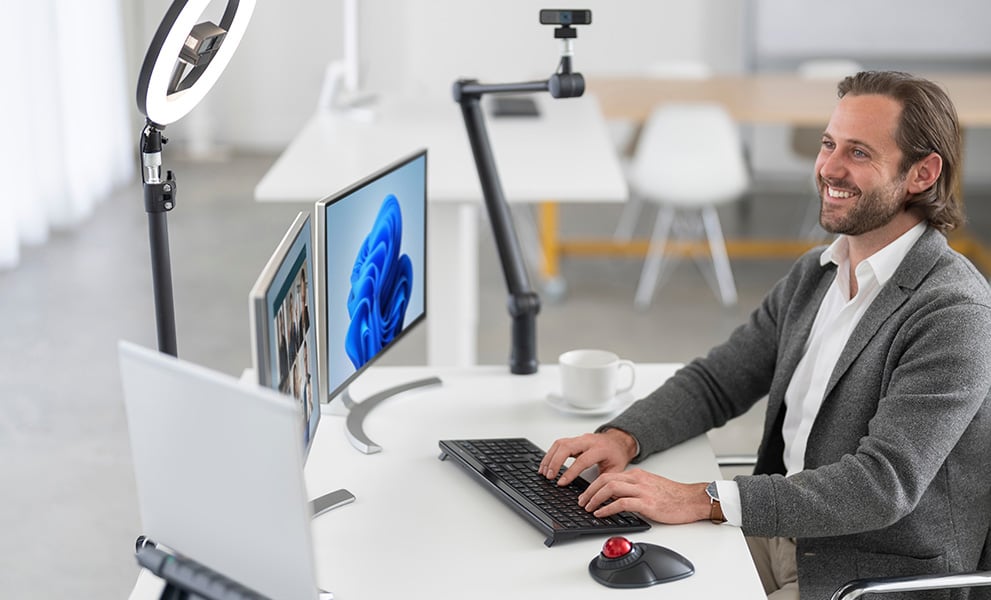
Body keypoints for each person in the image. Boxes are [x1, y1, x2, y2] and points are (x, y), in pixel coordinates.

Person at [539, 71, 991, 600]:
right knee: (589, 569)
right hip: (782, 536)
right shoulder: (818, 273)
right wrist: (619, 439)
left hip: (868, 573)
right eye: (828, 144)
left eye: (860, 153)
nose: (829, 168)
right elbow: (719, 381)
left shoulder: (953, 312)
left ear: (921, 173)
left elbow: (881, 485)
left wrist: (701, 498)